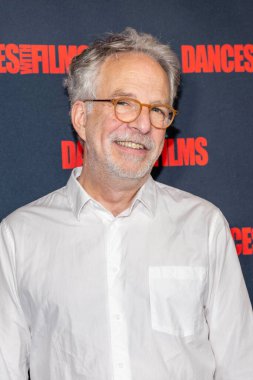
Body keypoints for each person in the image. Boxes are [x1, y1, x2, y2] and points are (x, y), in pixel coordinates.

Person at [0, 28, 252, 380]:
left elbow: (241, 364)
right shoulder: (19, 238)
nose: (144, 124)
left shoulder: (204, 226)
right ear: (81, 117)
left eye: (158, 109)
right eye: (125, 104)